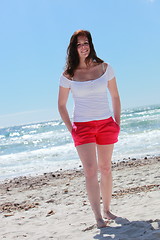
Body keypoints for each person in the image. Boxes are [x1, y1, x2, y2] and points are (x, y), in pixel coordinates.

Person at [58, 30, 121, 228]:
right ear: (73, 48)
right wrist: (72, 130)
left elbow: (115, 97)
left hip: (106, 123)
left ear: (91, 44)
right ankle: (98, 217)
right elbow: (61, 105)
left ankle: (107, 209)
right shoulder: (68, 74)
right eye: (79, 44)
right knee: (91, 170)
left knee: (106, 168)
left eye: (86, 43)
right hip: (82, 127)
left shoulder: (105, 68)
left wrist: (117, 122)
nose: (83, 47)